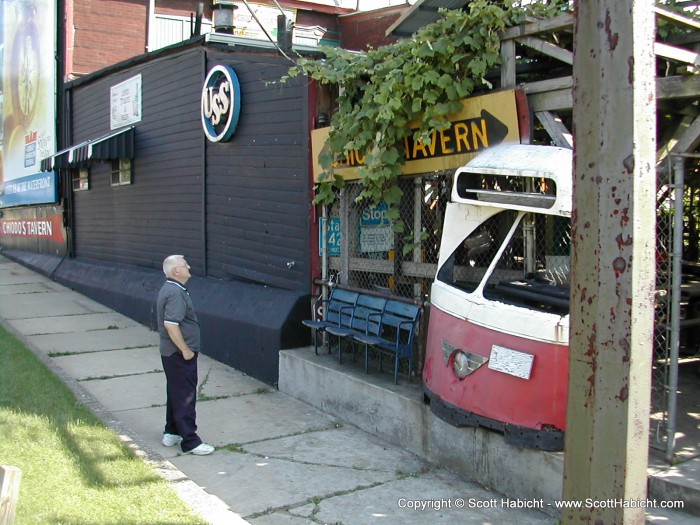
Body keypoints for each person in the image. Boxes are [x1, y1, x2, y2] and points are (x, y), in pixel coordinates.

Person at [156, 255, 214, 455]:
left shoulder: (171, 289)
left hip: (171, 353)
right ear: (175, 272)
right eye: (184, 265)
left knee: (176, 391)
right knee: (185, 396)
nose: (189, 267)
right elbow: (171, 325)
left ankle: (171, 432)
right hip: (179, 354)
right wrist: (186, 350)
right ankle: (190, 441)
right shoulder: (175, 293)